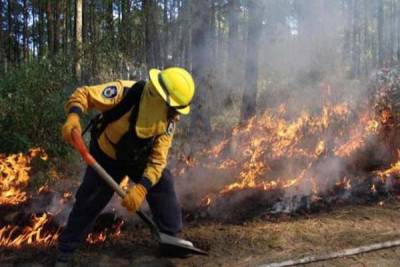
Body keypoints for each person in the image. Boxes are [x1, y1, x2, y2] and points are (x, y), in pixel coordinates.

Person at [56, 67, 195, 264]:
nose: (175, 114)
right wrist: (73, 116)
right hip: (106, 157)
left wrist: (141, 189)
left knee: (163, 181)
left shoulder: (168, 121)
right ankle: (66, 251)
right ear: (158, 96)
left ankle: (171, 240)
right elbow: (84, 94)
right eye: (173, 107)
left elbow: (157, 161)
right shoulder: (125, 91)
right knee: (89, 200)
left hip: (137, 160)